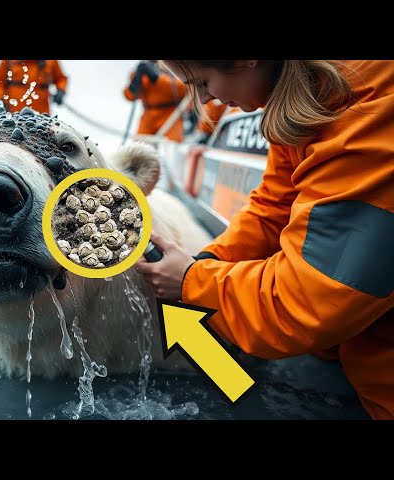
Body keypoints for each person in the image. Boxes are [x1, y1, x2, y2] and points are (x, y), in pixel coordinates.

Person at [136, 60, 394, 420]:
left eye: (203, 82)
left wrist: (193, 283)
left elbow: (307, 302)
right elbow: (275, 207)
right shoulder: (309, 97)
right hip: (352, 346)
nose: (204, 99)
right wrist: (205, 262)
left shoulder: (368, 116)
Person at [123, 60, 187, 142]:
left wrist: (157, 78)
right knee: (138, 145)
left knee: (173, 146)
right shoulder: (141, 72)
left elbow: (184, 89)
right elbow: (129, 97)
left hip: (170, 115)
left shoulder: (172, 68)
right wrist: (135, 80)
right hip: (148, 117)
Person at [0, 60, 67, 115]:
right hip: (14, 114)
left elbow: (60, 78)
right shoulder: (8, 61)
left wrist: (60, 90)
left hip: (42, 115)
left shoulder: (50, 61)